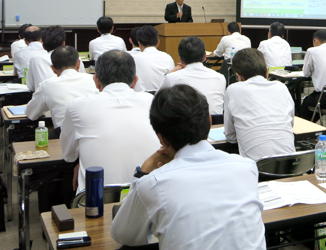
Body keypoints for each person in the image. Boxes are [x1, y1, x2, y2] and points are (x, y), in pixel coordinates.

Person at [110, 85, 266, 250]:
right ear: (210, 120)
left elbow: (122, 234)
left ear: (161, 139)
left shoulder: (153, 183)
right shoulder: (247, 167)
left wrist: (143, 172)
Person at [61, 50, 160, 192]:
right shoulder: (152, 102)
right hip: (148, 197)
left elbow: (68, 156)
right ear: (135, 81)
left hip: (94, 202)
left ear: (96, 81)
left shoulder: (78, 106)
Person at [224, 48, 295, 160]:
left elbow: (231, 137)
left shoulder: (233, 90)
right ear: (267, 72)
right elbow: (290, 125)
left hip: (257, 170)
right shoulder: (281, 87)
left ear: (238, 76)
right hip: (290, 166)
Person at [25, 46, 97, 138]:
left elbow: (31, 114)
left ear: (53, 69)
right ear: (78, 64)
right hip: (95, 132)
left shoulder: (47, 85)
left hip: (65, 134)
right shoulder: (94, 80)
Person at [159, 36, 226, 115]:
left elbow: (157, 101)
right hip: (217, 125)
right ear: (205, 57)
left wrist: (172, 72)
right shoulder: (220, 78)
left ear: (180, 59)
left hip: (185, 125)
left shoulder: (171, 78)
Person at [26, 25, 86, 92]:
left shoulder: (35, 59)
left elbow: (30, 87)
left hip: (45, 99)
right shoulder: (75, 58)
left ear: (43, 46)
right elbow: (83, 80)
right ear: (63, 44)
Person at [133, 25, 175, 92]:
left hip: (140, 98)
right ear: (158, 43)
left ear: (139, 44)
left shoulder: (133, 59)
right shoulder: (168, 58)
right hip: (162, 99)